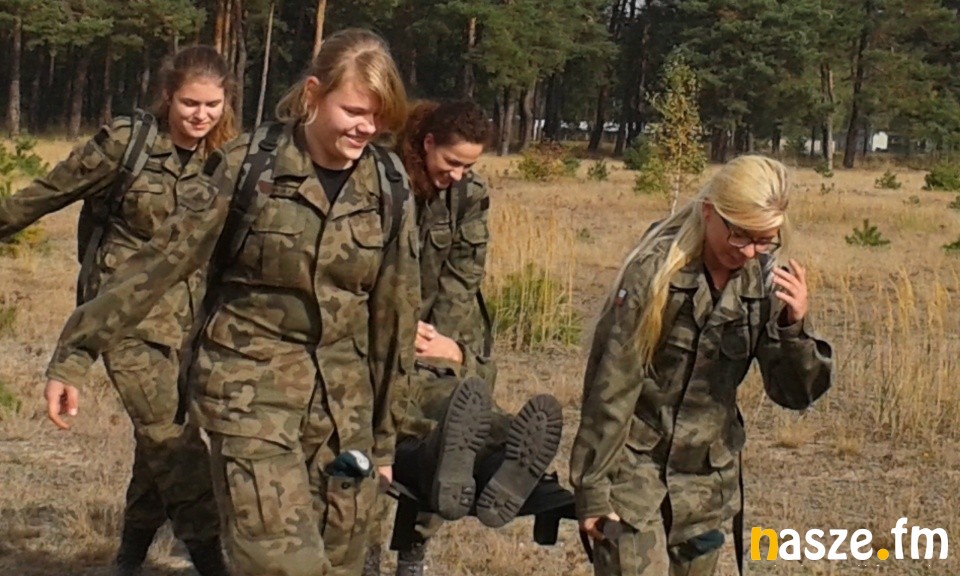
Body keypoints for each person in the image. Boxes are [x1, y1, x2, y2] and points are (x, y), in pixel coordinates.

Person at [41, 28, 420, 576]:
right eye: (356, 111)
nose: (368, 128)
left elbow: (395, 316)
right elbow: (157, 264)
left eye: (379, 117)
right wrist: (75, 353)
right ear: (314, 94)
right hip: (249, 392)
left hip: (344, 411)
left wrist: (384, 441)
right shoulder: (247, 167)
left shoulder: (387, 183)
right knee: (279, 563)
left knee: (341, 559)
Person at [0, 45, 236, 576]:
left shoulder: (225, 160)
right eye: (190, 103)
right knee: (173, 443)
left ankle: (128, 558)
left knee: (158, 442)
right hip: (123, 319)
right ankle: (211, 561)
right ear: (167, 96)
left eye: (212, 105)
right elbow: (42, 196)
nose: (200, 115)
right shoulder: (127, 145)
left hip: (190, 322)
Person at [569, 155, 834, 575]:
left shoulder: (765, 282)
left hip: (705, 480)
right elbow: (612, 386)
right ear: (709, 212)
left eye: (765, 240)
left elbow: (794, 393)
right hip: (633, 470)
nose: (749, 252)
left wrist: (793, 327)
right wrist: (593, 491)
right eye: (740, 235)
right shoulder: (655, 272)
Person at [363, 100, 564, 576]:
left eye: (468, 166)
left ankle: (502, 458)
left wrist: (446, 348)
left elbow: (462, 279)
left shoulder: (469, 194)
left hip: (435, 334)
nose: (457, 175)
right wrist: (398, 328)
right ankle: (366, 560)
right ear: (427, 142)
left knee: (458, 412)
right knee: (394, 427)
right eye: (451, 162)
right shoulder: (379, 179)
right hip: (377, 329)